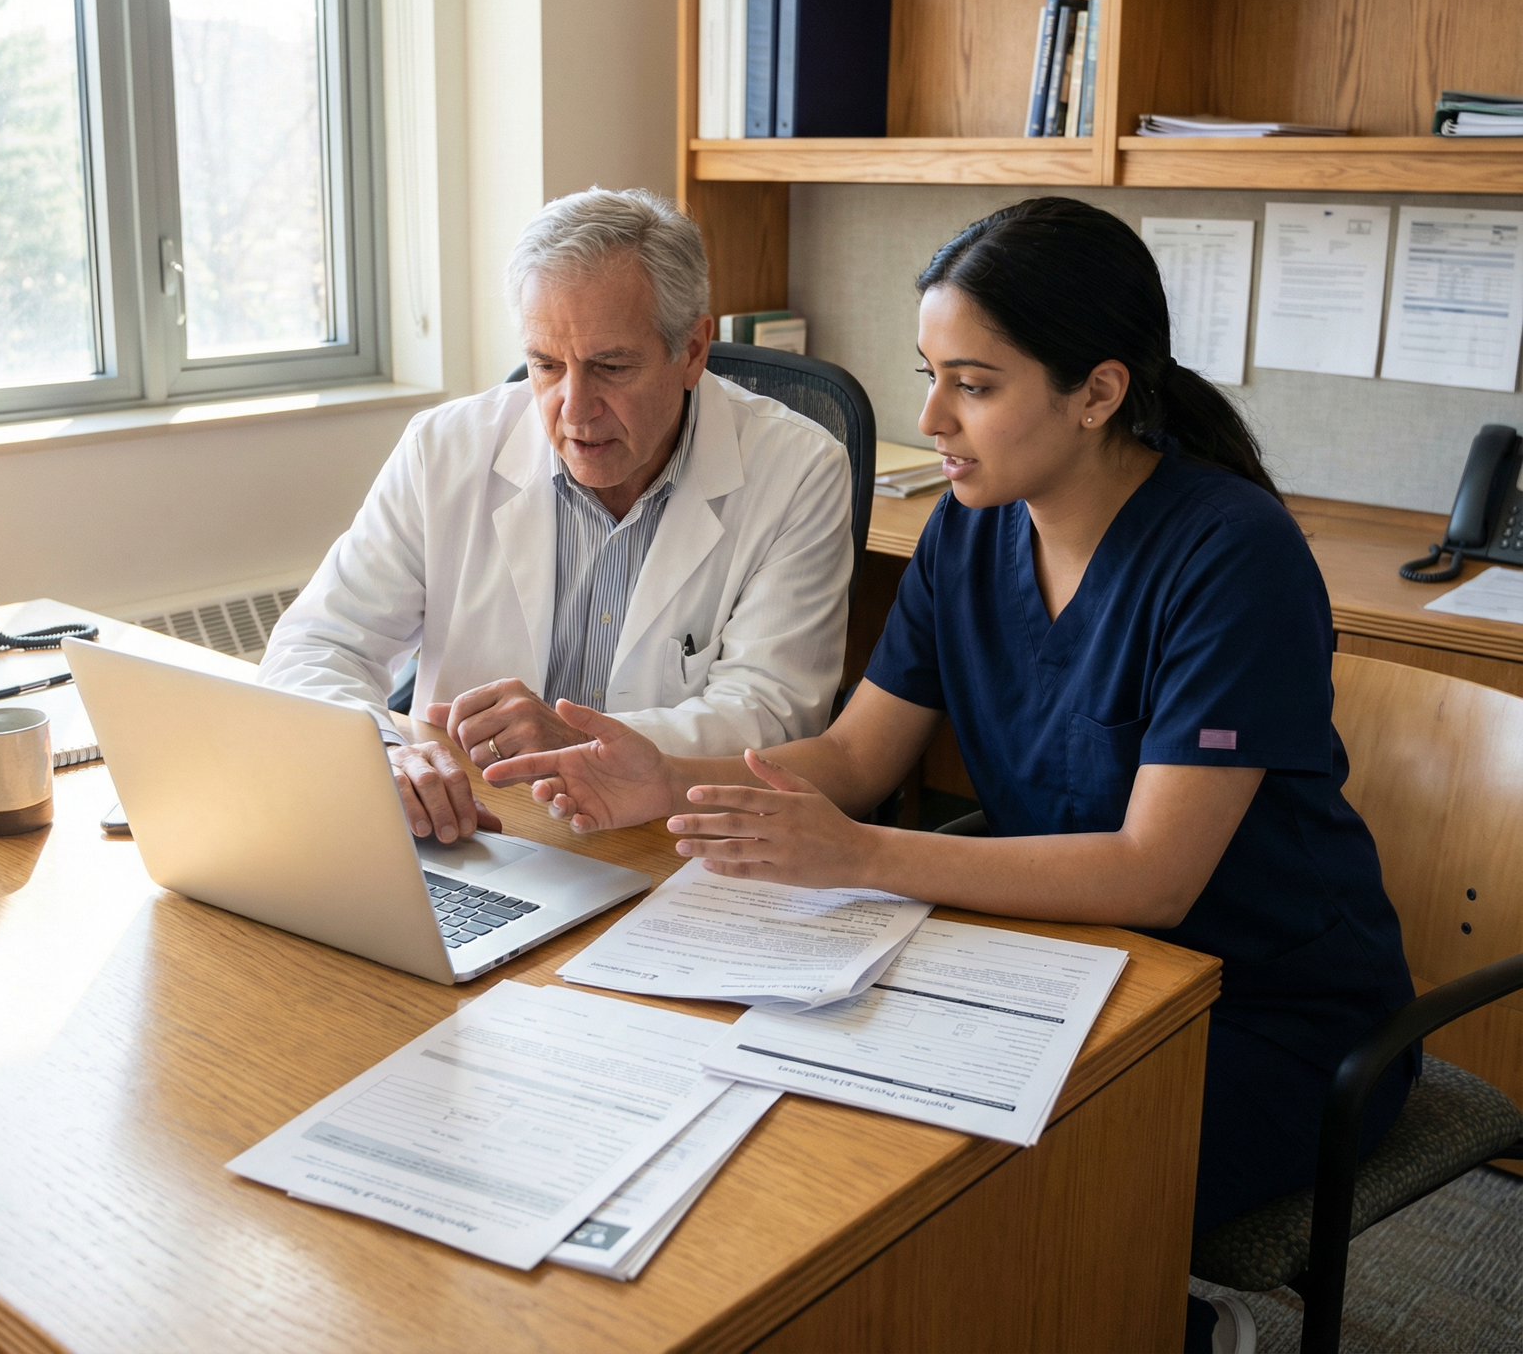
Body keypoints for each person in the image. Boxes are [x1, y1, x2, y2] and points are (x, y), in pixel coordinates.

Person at [488, 196, 1417, 1354]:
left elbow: (1155, 875)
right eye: (928, 374)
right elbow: (855, 755)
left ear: (1097, 391)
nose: (928, 417)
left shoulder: (1230, 556)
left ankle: (1166, 1312)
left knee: (973, 1198)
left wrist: (868, 852)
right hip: (1061, 964)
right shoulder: (971, 526)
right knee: (840, 1146)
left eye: (972, 385)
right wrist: (666, 777)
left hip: (1263, 1009)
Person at [261, 187, 852, 848]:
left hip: (673, 842)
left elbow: (773, 720)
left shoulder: (800, 470)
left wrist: (582, 744)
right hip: (481, 830)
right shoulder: (445, 449)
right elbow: (317, 644)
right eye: (547, 365)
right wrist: (382, 753)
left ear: (691, 350)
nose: (574, 409)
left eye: (610, 367)